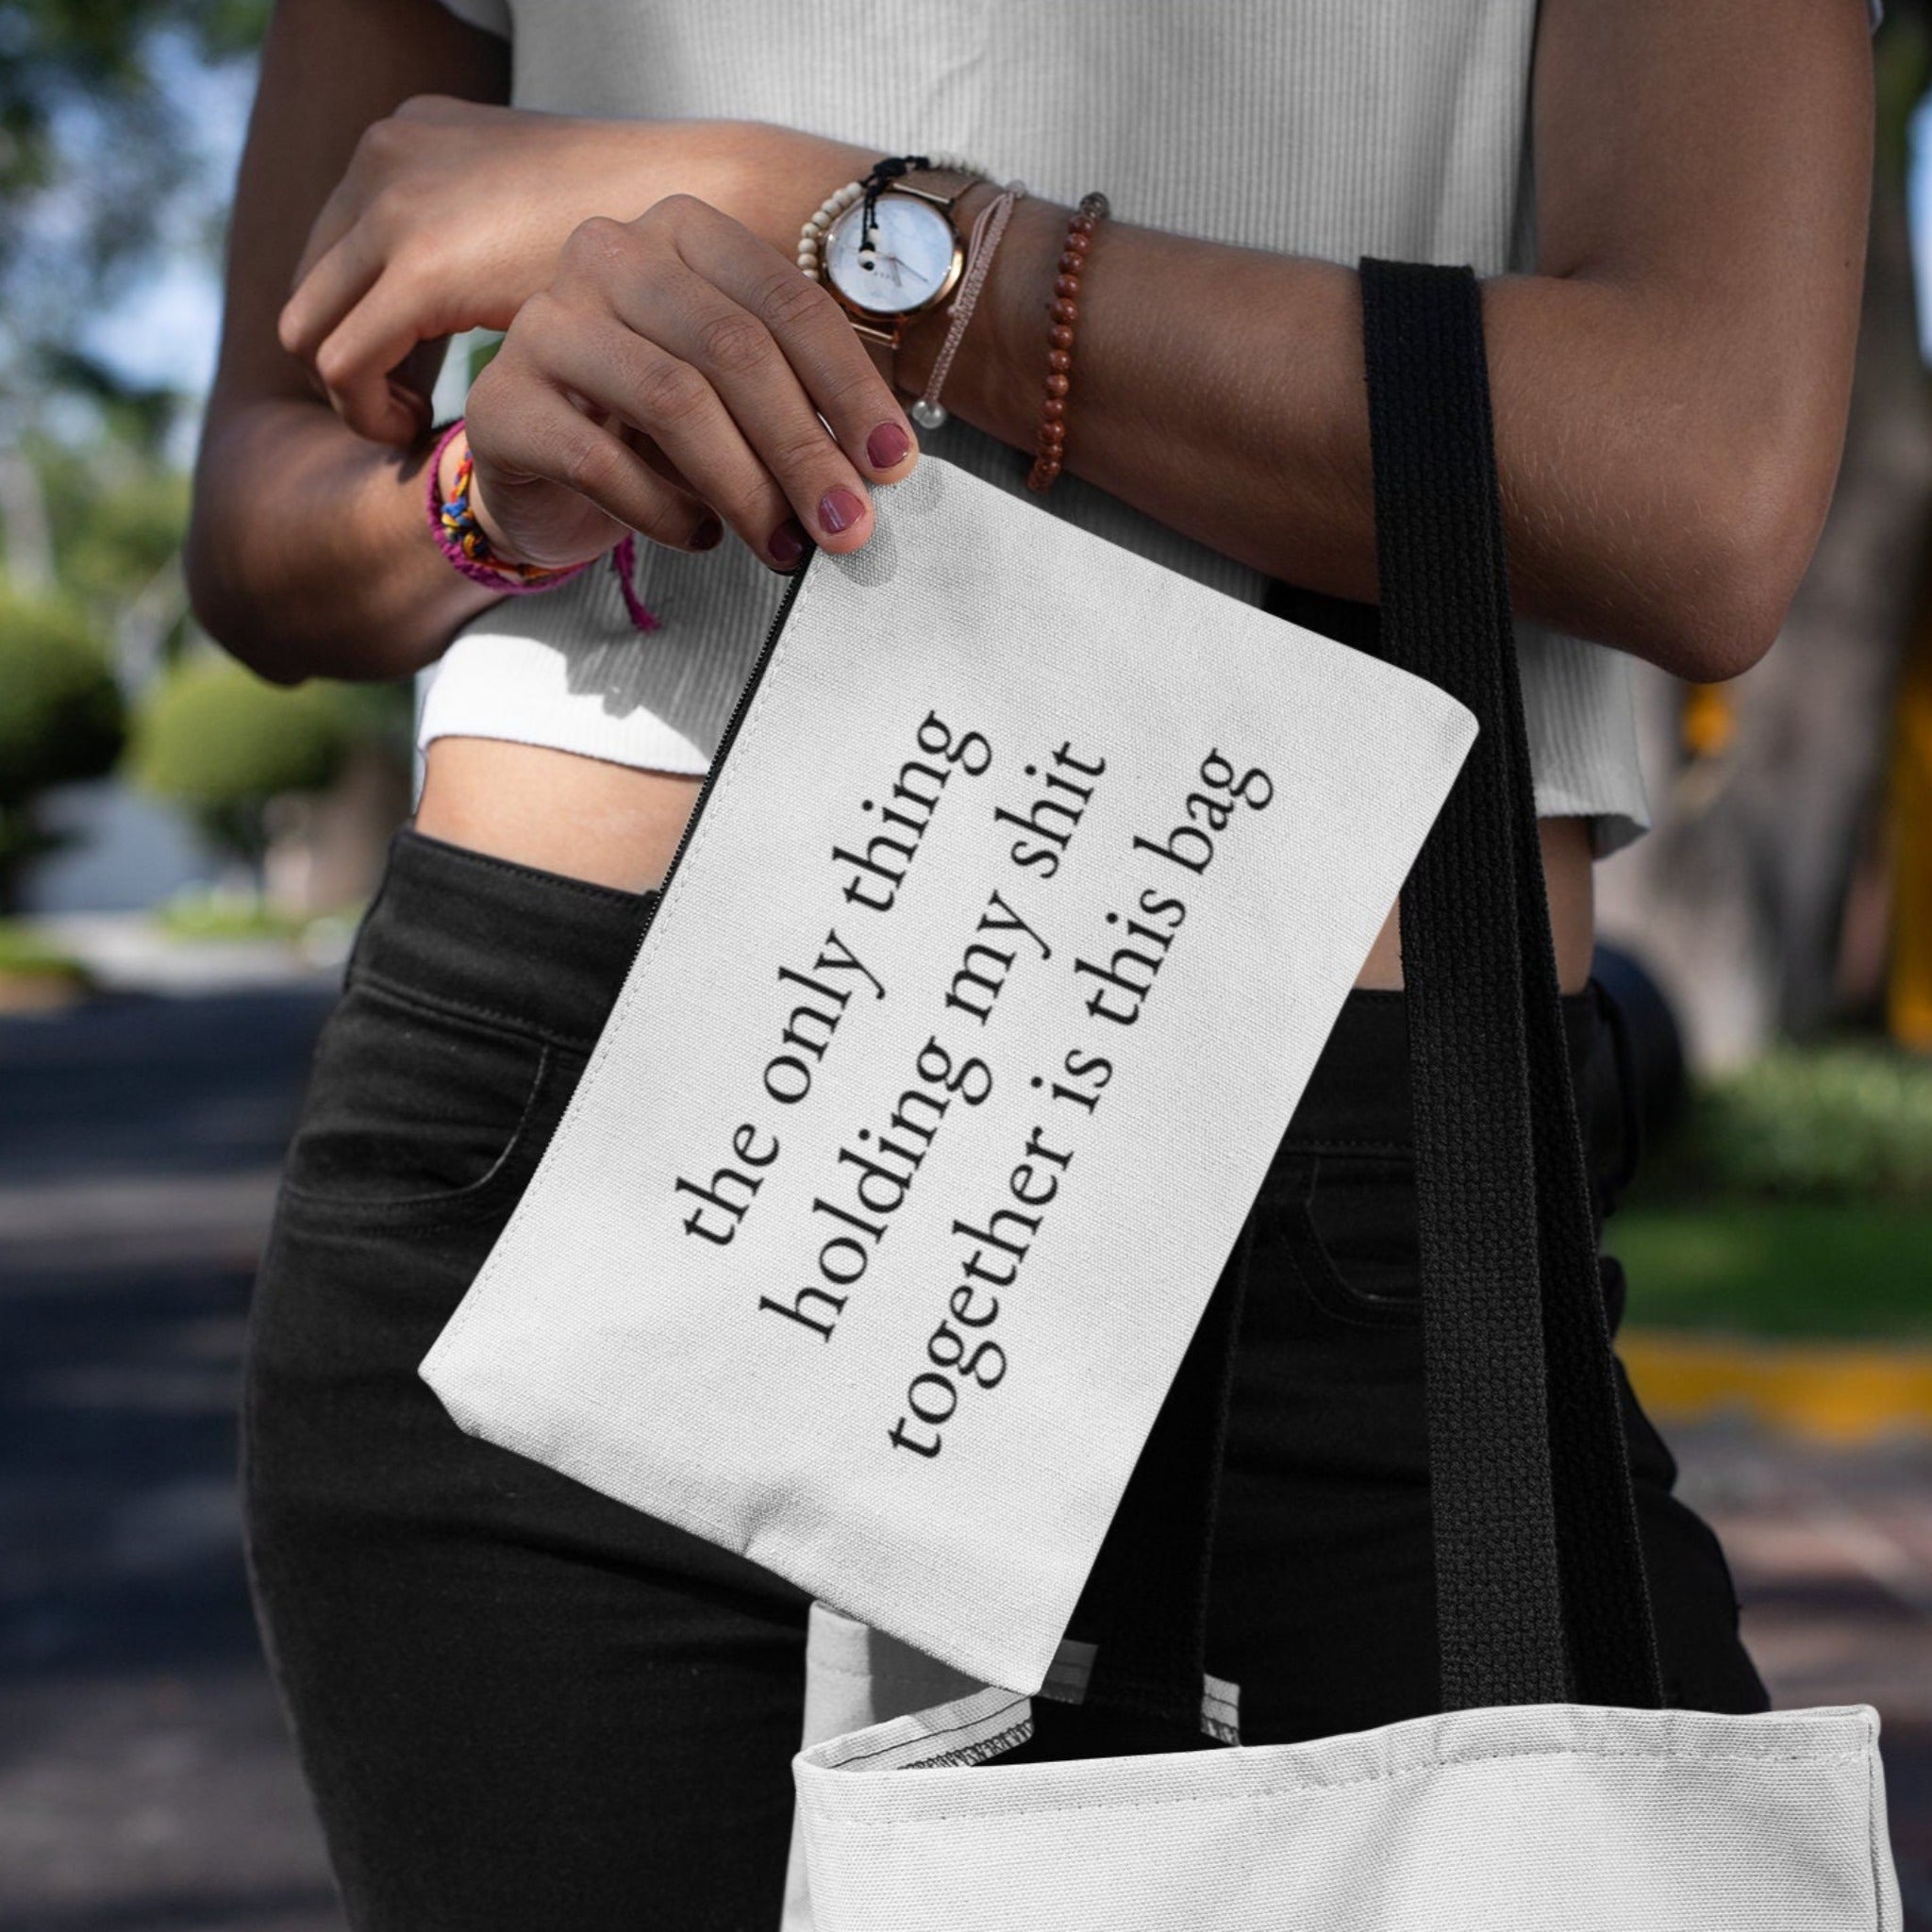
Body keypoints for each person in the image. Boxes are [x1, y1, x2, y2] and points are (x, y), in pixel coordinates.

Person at [186, 1, 1875, 1924]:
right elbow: (259, 517)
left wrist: (832, 230)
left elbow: (1699, 481)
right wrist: (483, 491)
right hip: (564, 1118)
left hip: (1319, 1176)